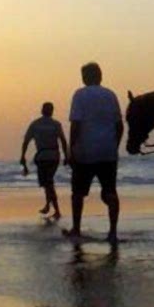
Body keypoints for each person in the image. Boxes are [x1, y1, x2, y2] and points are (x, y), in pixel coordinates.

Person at [65, 62, 124, 243]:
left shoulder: (80, 95)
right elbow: (119, 126)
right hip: (108, 151)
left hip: (86, 151)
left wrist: (71, 149)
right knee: (110, 191)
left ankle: (76, 229)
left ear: (85, 77)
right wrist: (114, 146)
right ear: (100, 76)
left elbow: (76, 124)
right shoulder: (110, 95)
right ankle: (113, 232)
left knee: (78, 192)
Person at [20, 101, 69, 218]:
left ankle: (56, 210)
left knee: (48, 183)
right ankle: (48, 206)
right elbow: (63, 141)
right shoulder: (56, 124)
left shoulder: (35, 124)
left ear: (42, 111)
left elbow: (26, 141)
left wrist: (23, 156)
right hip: (54, 156)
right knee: (48, 182)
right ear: (52, 111)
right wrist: (66, 156)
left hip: (42, 156)